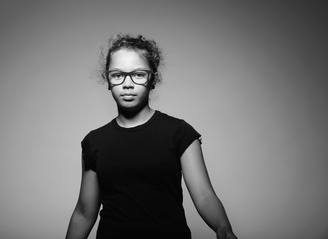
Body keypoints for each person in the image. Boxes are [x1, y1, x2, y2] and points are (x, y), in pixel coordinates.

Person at [66, 34, 237, 239]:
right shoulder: (94, 142)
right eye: (117, 75)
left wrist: (222, 227)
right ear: (108, 80)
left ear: (152, 79)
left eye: (138, 74)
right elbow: (84, 212)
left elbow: (204, 196)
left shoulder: (179, 133)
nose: (127, 84)